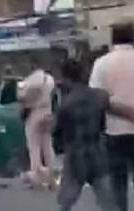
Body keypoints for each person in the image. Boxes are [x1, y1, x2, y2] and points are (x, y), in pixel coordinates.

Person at [53, 58, 117, 211]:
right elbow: (102, 124)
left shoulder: (66, 105)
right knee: (108, 202)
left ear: (67, 79)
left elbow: (58, 134)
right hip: (97, 154)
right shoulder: (100, 97)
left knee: (66, 201)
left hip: (75, 157)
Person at [90, 21, 134, 211]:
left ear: (113, 39)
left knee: (118, 184)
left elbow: (96, 99)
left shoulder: (102, 64)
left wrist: (122, 111)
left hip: (114, 132)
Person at [19, 55, 57, 189]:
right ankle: (52, 176)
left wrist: (22, 98)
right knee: (48, 146)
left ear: (33, 64)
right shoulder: (50, 79)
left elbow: (27, 97)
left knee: (34, 146)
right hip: (48, 112)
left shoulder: (33, 79)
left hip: (34, 113)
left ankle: (36, 177)